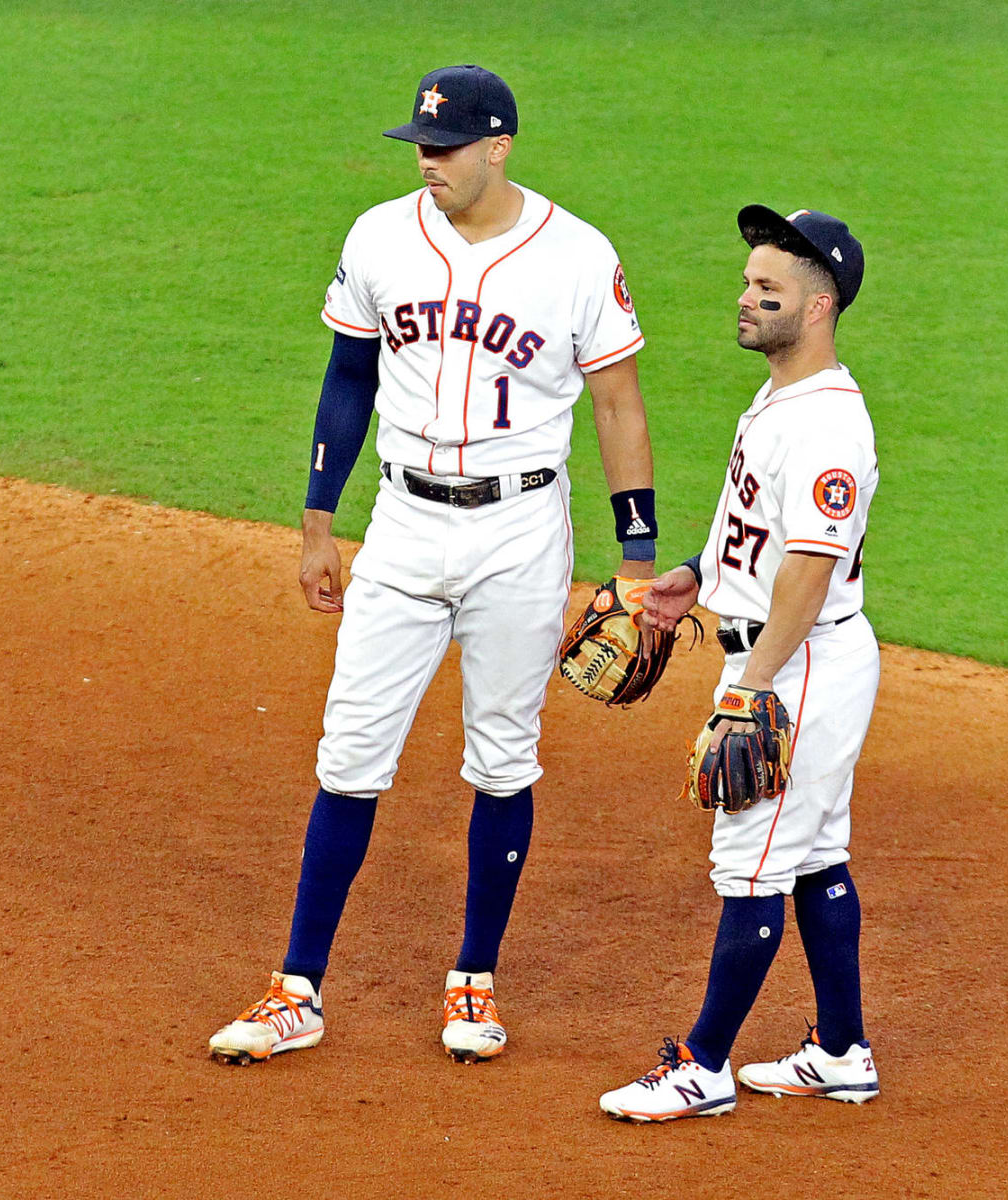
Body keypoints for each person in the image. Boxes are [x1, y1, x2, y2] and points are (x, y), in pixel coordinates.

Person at [209, 64, 660, 1065]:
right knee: (349, 753)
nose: (429, 159)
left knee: (503, 756)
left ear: (499, 146)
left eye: (448, 146)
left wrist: (636, 556)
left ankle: (473, 980)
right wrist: (318, 522)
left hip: (520, 534)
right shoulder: (379, 236)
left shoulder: (578, 256)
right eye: (421, 143)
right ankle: (297, 990)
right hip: (404, 525)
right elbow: (349, 376)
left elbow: (619, 403)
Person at [600, 205, 881, 1120]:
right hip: (788, 652)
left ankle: (704, 1064)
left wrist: (752, 682)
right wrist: (692, 576)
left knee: (752, 861)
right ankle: (842, 1048)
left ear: (822, 305)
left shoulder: (830, 423)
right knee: (813, 853)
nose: (747, 299)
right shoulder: (778, 397)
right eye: (749, 282)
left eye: (770, 289)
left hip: (795, 662)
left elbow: (810, 564)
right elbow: (757, 535)